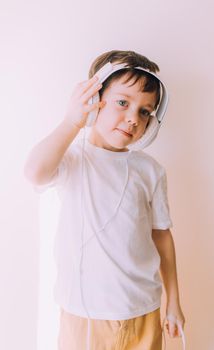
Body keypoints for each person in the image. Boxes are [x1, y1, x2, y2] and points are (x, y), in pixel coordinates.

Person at [24, 50, 185, 350]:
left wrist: (173, 302)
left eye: (145, 112)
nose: (133, 119)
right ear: (94, 98)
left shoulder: (150, 171)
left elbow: (161, 236)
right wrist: (72, 121)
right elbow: (34, 172)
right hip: (85, 316)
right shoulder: (71, 157)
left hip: (144, 310)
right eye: (123, 102)